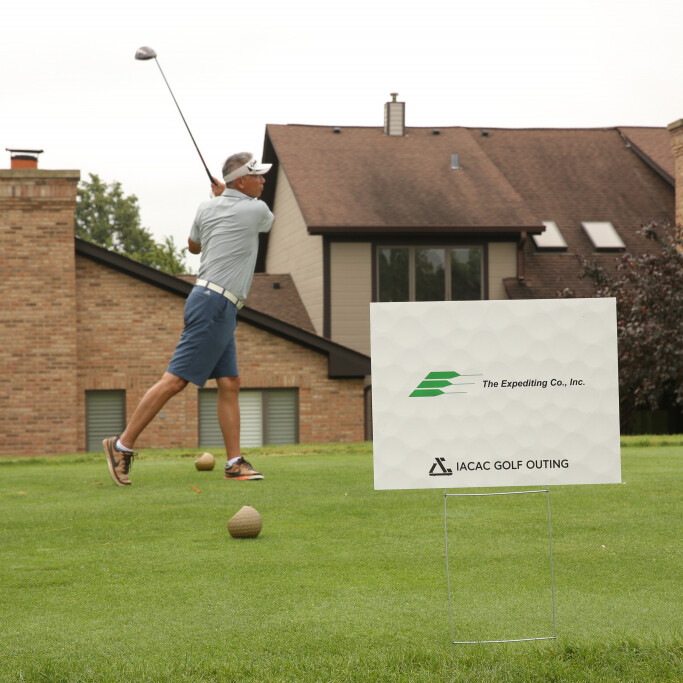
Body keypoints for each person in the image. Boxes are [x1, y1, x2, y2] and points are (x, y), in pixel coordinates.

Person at [103, 152, 274, 486]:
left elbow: (193, 246)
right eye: (257, 176)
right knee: (175, 381)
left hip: (214, 303)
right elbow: (257, 221)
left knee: (229, 383)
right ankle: (122, 445)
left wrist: (218, 199)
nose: (263, 181)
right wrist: (223, 196)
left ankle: (234, 462)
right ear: (241, 180)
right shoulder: (258, 210)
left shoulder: (206, 207)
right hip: (214, 305)